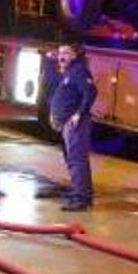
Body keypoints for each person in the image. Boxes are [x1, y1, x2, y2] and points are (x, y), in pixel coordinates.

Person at [46, 42, 97, 211]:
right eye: (60, 53)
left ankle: (82, 200)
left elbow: (91, 92)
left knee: (77, 161)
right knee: (72, 161)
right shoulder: (68, 72)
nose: (62, 56)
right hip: (66, 124)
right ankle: (77, 192)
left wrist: (79, 113)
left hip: (75, 125)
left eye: (66, 53)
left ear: (75, 55)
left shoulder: (79, 71)